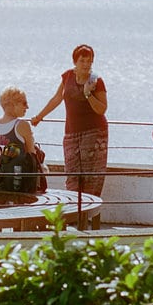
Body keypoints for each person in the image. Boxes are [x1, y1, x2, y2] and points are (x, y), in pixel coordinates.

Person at [30, 44, 108, 196]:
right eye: (82, 61)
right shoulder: (67, 76)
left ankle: (87, 215)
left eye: (89, 61)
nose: (86, 64)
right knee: (72, 175)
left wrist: (88, 94)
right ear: (75, 62)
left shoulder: (96, 81)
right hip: (72, 133)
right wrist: (40, 116)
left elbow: (102, 109)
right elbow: (57, 98)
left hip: (94, 132)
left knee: (91, 177)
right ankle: (74, 214)